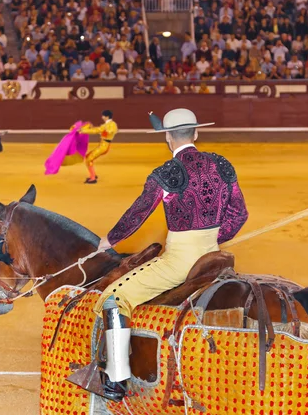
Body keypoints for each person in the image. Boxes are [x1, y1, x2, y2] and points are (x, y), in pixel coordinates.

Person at [81, 108, 249, 401]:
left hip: (180, 262)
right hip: (214, 255)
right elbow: (239, 214)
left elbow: (137, 214)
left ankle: (116, 380)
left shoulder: (165, 174)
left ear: (169, 138)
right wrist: (214, 239)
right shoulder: (222, 165)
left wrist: (109, 240)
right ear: (196, 133)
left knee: (113, 298)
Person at [77, 110, 118, 184]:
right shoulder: (106, 125)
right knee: (88, 157)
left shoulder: (112, 124)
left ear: (107, 116)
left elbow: (110, 131)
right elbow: (97, 130)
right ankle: (93, 175)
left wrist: (103, 130)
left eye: (103, 116)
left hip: (104, 146)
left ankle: (93, 178)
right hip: (102, 145)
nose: (102, 117)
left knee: (89, 159)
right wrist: (83, 130)